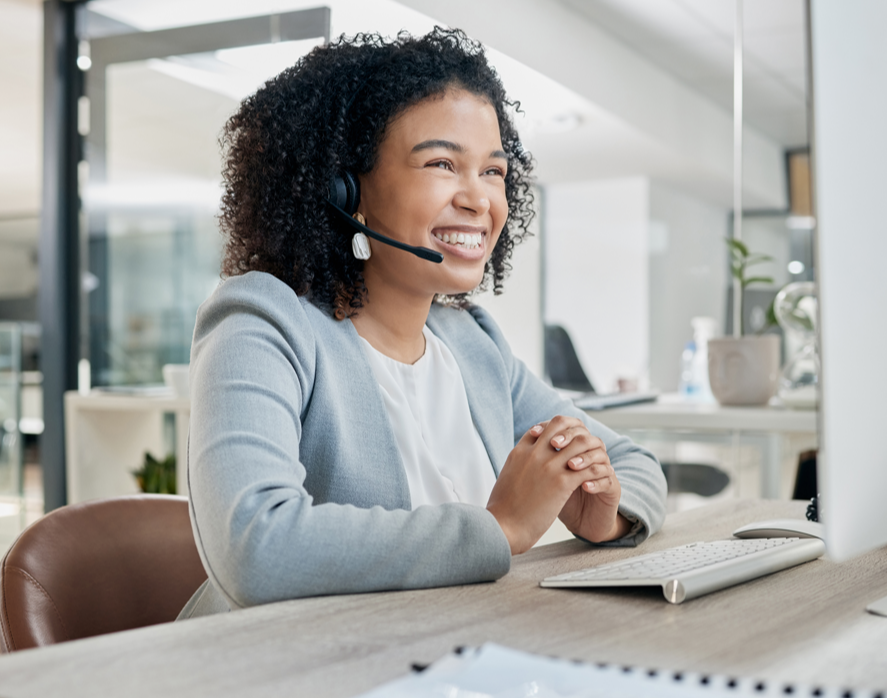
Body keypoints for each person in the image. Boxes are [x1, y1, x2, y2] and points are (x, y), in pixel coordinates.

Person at [179, 28, 666, 619]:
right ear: (346, 190)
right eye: (442, 163)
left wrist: (605, 512)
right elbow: (256, 547)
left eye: (492, 171)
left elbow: (634, 464)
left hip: (448, 653)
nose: (479, 199)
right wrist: (500, 528)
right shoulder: (261, 322)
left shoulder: (473, 343)